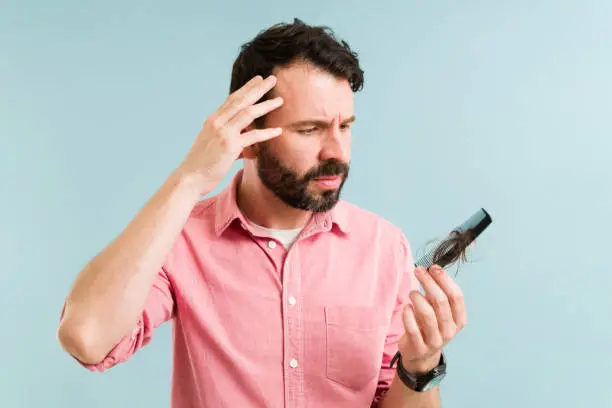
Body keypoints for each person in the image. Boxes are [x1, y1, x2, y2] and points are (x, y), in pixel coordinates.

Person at [57, 18, 467, 408]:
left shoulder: (383, 247)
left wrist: (419, 368)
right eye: (310, 129)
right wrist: (190, 178)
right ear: (248, 136)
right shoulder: (182, 239)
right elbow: (87, 337)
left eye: (345, 127)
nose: (337, 152)